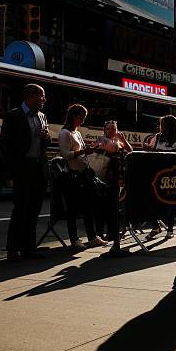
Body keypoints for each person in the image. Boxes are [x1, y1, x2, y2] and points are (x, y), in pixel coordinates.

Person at [0, 84, 52, 261]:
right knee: (21, 209)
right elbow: (5, 145)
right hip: (23, 168)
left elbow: (46, 143)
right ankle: (13, 250)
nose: (44, 99)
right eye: (42, 96)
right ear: (31, 97)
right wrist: (15, 168)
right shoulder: (13, 115)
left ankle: (29, 248)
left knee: (34, 209)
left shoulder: (42, 116)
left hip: (38, 167)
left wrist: (46, 138)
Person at [59, 104, 108, 250]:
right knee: (73, 210)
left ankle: (92, 237)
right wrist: (83, 152)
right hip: (73, 176)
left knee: (89, 208)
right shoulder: (65, 133)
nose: (83, 121)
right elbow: (66, 155)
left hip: (84, 174)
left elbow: (80, 151)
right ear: (74, 116)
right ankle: (74, 239)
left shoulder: (77, 133)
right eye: (81, 117)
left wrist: (89, 150)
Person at [95, 120, 133, 257]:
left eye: (114, 129)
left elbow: (130, 152)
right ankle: (104, 234)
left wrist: (123, 140)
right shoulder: (102, 140)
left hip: (117, 178)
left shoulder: (118, 140)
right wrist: (119, 142)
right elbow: (114, 149)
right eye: (109, 128)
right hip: (106, 178)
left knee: (114, 207)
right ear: (104, 130)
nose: (111, 131)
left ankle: (112, 236)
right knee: (106, 208)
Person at [143, 115, 176, 240]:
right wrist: (148, 148)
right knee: (152, 200)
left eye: (163, 124)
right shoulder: (157, 137)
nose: (161, 127)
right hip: (156, 173)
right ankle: (155, 227)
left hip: (170, 175)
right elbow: (151, 151)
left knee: (170, 201)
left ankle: (170, 228)